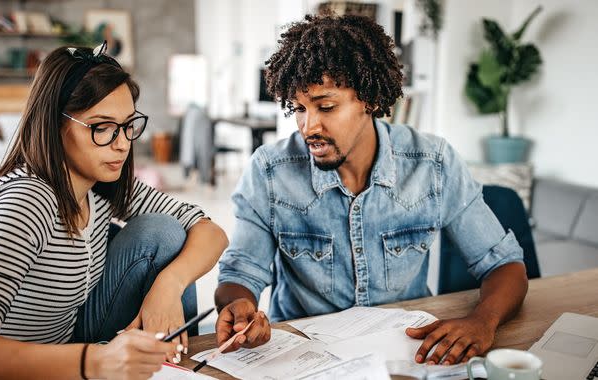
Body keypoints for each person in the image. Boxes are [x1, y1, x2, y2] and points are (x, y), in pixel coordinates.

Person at [214, 14, 528, 366]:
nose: (308, 126)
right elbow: (239, 275)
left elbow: (504, 266)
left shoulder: (432, 163)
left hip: (408, 353)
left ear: (370, 100)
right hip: (306, 359)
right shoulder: (270, 171)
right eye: (299, 109)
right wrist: (240, 307)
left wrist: (482, 321)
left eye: (326, 106)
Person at [0, 42, 228, 379]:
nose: (122, 144)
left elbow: (211, 232)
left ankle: (175, 368)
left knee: (165, 232)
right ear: (55, 124)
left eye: (128, 125)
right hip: (17, 369)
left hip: (69, 344)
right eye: (101, 128)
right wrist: (95, 362)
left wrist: (169, 286)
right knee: (162, 233)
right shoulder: (25, 202)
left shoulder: (102, 184)